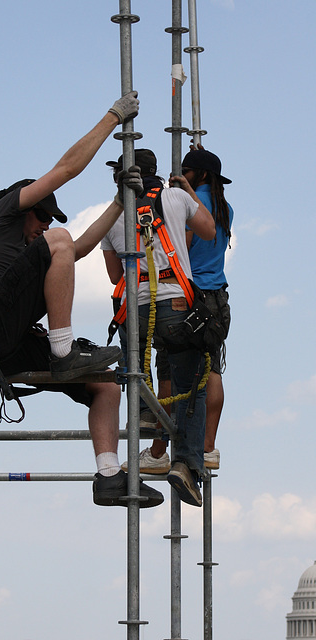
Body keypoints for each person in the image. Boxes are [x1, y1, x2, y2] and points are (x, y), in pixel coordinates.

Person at [0, 94, 164, 509]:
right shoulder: (1, 215)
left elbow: (76, 250)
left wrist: (121, 202)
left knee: (104, 382)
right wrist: (114, 118)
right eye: (42, 216)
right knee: (59, 245)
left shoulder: (30, 258)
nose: (44, 225)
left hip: (3, 344)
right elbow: (66, 171)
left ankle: (108, 477)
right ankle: (63, 350)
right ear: (22, 208)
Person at [101, 148, 216, 507]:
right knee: (191, 385)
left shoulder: (112, 216)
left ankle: (147, 414)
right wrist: (187, 192)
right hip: (176, 305)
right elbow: (210, 231)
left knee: (135, 371)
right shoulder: (176, 196)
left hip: (134, 307)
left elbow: (115, 276)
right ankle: (186, 464)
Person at [125, 146, 233, 474]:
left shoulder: (182, 198)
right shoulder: (224, 204)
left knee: (172, 372)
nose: (180, 174)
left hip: (189, 294)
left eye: (186, 169)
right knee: (209, 371)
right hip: (217, 295)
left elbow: (179, 242)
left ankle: (159, 451)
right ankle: (208, 446)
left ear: (198, 175)